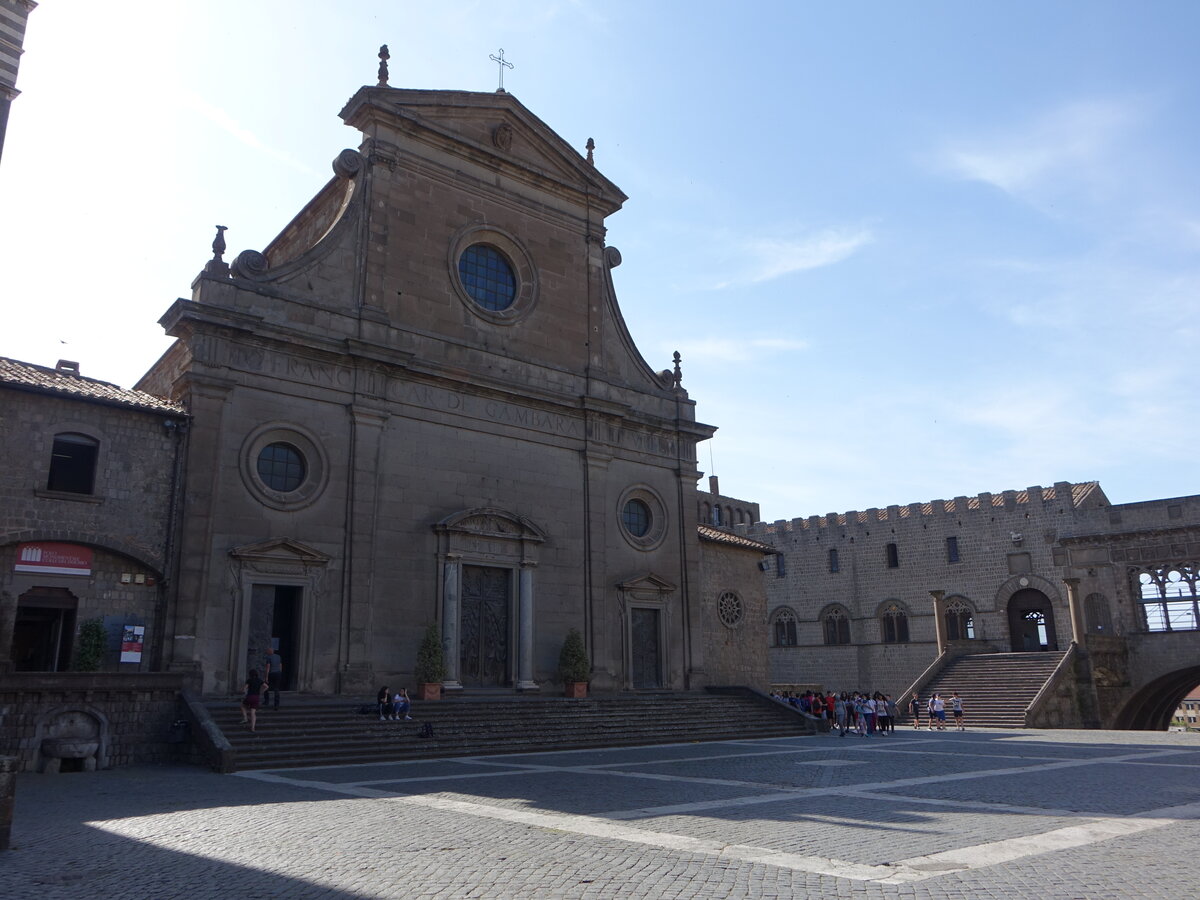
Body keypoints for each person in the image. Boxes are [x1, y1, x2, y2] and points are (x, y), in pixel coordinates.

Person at [241, 668, 266, 732]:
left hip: (250, 696)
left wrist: (243, 691)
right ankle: (253, 728)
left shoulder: (249, 680)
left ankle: (245, 718)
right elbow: (267, 686)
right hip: (256, 697)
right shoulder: (259, 680)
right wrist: (262, 691)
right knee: (253, 713)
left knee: (243, 706)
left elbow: (244, 689)